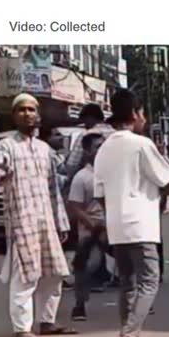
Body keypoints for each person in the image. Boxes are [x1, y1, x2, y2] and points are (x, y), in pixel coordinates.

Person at [93, 89, 169, 337]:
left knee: (128, 283)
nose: (145, 119)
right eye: (143, 113)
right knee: (150, 279)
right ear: (135, 113)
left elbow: (99, 194)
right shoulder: (140, 144)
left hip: (117, 225)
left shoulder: (104, 149)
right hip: (140, 224)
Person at [0, 94, 74, 337]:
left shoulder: (44, 150)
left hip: (46, 220)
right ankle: (22, 330)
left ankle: (47, 321)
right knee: (26, 275)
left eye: (31, 109)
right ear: (14, 115)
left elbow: (54, 189)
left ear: (38, 115)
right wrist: (0, 173)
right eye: (21, 110)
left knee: (55, 273)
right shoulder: (6, 146)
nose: (27, 114)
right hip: (22, 220)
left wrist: (61, 222)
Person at [67, 132, 107, 321]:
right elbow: (74, 207)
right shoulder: (81, 177)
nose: (102, 150)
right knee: (85, 266)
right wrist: (92, 225)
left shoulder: (112, 173)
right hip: (91, 230)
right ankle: (80, 305)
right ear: (87, 151)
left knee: (130, 264)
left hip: (113, 227)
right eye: (97, 146)